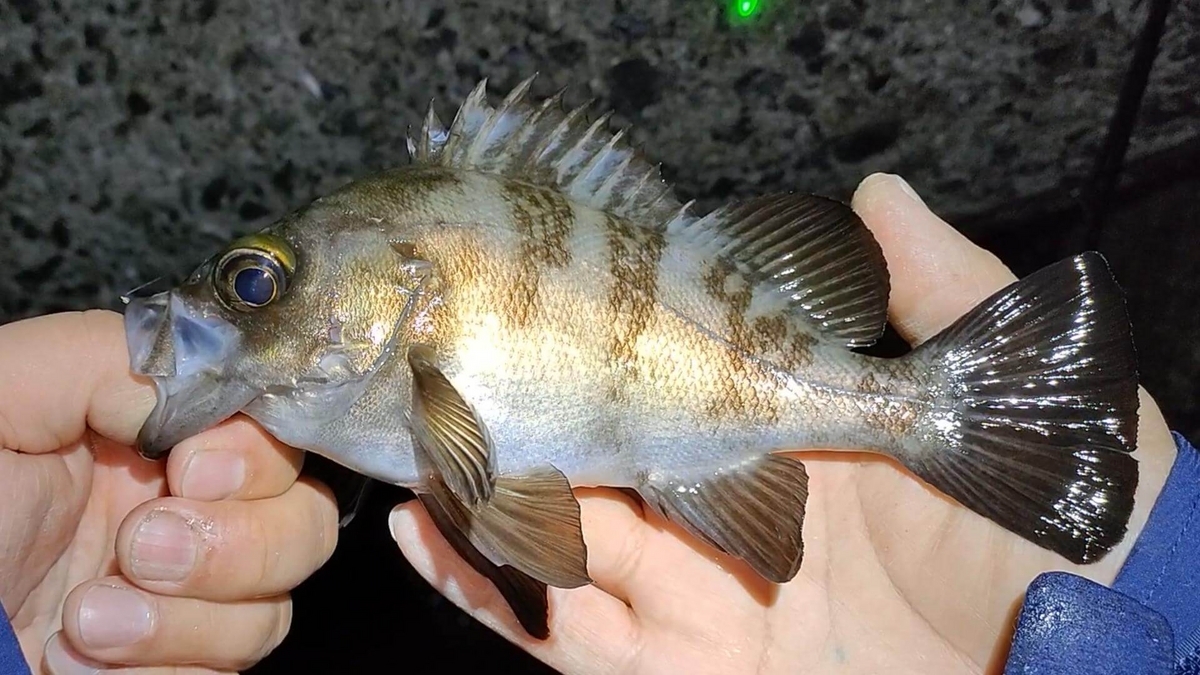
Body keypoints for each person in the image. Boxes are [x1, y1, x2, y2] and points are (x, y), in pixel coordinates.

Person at [1, 174, 1195, 674]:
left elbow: (480, 479)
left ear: (401, 289)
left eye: (258, 283)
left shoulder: (406, 373)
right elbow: (490, 491)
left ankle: (938, 414)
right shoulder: (344, 389)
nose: (235, 306)